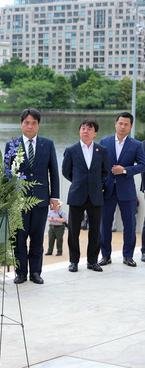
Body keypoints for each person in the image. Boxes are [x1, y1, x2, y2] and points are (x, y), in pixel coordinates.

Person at [8, 108, 59, 284]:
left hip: (40, 200)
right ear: (21, 124)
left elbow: (53, 172)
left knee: (37, 238)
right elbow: (8, 174)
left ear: (38, 125)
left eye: (34, 123)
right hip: (18, 201)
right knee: (19, 238)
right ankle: (21, 272)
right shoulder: (12, 145)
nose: (30, 126)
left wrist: (55, 197)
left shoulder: (48, 144)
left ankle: (35, 272)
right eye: (26, 123)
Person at [62, 119, 109, 272]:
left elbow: (105, 171)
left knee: (95, 231)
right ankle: (73, 261)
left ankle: (92, 261)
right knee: (73, 231)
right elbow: (66, 171)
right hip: (77, 195)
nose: (85, 131)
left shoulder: (101, 150)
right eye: (83, 128)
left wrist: (94, 183)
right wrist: (78, 182)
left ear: (95, 133)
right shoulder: (71, 150)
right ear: (79, 131)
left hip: (95, 195)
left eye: (89, 129)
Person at [99, 112, 145, 267]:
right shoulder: (104, 142)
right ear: (115, 124)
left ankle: (128, 256)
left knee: (129, 225)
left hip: (127, 190)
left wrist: (124, 170)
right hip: (107, 189)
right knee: (105, 224)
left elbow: (142, 165)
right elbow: (98, 165)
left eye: (126, 124)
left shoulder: (136, 145)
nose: (123, 126)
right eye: (120, 123)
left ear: (131, 127)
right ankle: (105, 256)